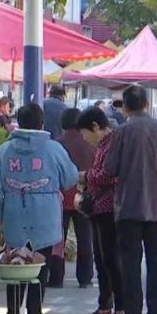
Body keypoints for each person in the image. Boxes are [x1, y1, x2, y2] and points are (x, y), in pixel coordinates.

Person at [0, 103, 79, 314]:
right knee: (40, 266)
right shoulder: (53, 149)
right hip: (46, 214)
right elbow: (70, 178)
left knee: (15, 264)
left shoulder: (4, 150)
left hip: (13, 212)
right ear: (42, 123)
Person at [104, 85, 157, 314]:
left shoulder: (122, 132)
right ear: (147, 104)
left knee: (130, 262)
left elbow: (110, 168)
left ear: (125, 107)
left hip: (129, 206)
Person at [74, 107, 125, 314]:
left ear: (96, 127)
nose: (85, 140)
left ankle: (120, 307)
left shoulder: (112, 144)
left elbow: (110, 174)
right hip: (99, 208)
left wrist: (86, 176)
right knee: (102, 259)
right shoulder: (105, 145)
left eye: (85, 134)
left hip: (109, 208)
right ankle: (105, 305)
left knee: (112, 259)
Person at [50, 108, 96, 289]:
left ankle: (56, 278)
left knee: (57, 239)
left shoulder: (56, 144)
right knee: (85, 238)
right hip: (84, 197)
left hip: (59, 198)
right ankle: (85, 278)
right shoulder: (90, 145)